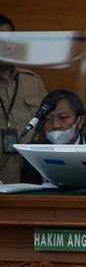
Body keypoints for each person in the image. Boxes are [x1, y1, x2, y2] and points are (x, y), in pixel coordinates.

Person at [0, 14, 48, 183]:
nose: (7, 45)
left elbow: (48, 127)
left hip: (31, 171)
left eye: (11, 38)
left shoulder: (32, 81)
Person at [20, 90, 86, 183]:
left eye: (63, 117)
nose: (55, 125)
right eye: (48, 119)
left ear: (80, 122)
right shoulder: (32, 152)